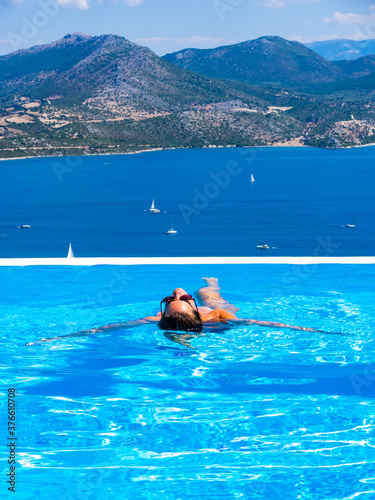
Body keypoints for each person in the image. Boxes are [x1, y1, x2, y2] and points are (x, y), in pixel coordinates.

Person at [26, 277, 319, 346]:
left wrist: (55, 338)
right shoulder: (213, 316)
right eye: (181, 298)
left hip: (198, 320)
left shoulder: (155, 319)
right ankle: (210, 286)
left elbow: (110, 328)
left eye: (174, 298)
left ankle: (210, 287)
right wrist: (303, 329)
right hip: (217, 314)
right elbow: (259, 322)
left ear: (162, 314)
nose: (177, 292)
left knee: (209, 296)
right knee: (213, 297)